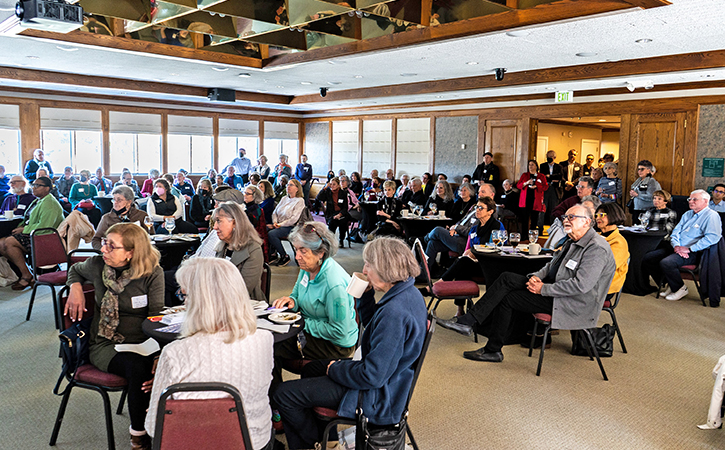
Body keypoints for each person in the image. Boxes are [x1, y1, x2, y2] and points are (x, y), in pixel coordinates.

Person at [273, 236, 426, 450]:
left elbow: (372, 375)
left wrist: (336, 368)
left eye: (368, 265)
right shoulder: (408, 293)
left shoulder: (395, 313)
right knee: (312, 369)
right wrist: (365, 297)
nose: (364, 269)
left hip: (377, 392)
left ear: (384, 268)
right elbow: (377, 330)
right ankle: (329, 438)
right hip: (389, 378)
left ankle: (312, 444)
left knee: (284, 394)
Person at [437, 204, 616, 363]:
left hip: (573, 302)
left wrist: (543, 288)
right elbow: (550, 265)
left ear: (587, 222)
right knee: (507, 279)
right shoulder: (573, 240)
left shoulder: (596, 248)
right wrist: (535, 276)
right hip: (555, 291)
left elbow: (580, 286)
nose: (565, 220)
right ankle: (479, 334)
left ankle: (478, 333)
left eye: (571, 217)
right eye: (564, 217)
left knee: (508, 295)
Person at [145, 257, 273, 449]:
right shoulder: (265, 339)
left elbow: (154, 427)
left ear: (201, 301)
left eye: (185, 296)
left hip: (191, 442)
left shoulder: (175, 353)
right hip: (254, 441)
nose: (185, 303)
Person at [64, 223, 163, 450]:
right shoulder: (98, 265)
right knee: (139, 368)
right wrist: (76, 288)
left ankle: (160, 424)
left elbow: (156, 316)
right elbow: (74, 270)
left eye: (111, 245)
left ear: (131, 252)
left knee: (165, 362)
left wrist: (159, 353)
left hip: (143, 342)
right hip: (106, 343)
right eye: (105, 243)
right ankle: (139, 435)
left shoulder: (151, 272)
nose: (103, 249)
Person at [642, 189, 722, 301]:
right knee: (648, 258)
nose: (691, 201)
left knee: (667, 263)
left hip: (695, 252)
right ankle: (670, 283)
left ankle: (680, 288)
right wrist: (676, 246)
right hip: (677, 248)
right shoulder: (687, 214)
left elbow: (713, 238)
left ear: (705, 201)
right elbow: (675, 232)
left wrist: (689, 249)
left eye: (695, 199)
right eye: (690, 199)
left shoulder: (711, 216)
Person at [0, 176, 64, 290]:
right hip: (32, 233)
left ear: (47, 188)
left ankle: (26, 275)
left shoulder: (50, 202)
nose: (33, 188)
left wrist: (23, 230)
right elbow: (28, 219)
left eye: (37, 185)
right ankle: (27, 272)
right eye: (33, 185)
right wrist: (21, 226)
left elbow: (45, 226)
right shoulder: (38, 200)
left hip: (45, 238)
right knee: (1, 243)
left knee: (9, 242)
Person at [424, 184, 495, 274]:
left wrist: (457, 228)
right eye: (479, 192)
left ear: (492, 195)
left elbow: (474, 231)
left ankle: (423, 239)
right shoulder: (474, 206)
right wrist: (454, 227)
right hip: (457, 235)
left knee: (438, 230)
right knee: (432, 243)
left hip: (466, 242)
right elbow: (462, 220)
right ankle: (425, 273)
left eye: (483, 192)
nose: (479, 194)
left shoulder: (489, 211)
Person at [212, 202, 266, 301]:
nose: (215, 227)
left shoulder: (253, 250)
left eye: (219, 221)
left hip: (246, 306)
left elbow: (243, 290)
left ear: (234, 223)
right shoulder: (222, 247)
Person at [93, 185, 153, 250]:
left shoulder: (141, 215)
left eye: (119, 200)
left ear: (129, 202)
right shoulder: (107, 218)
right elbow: (96, 240)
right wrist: (104, 250)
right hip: (114, 254)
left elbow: (151, 236)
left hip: (137, 253)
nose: (115, 203)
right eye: (114, 200)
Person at [594, 203, 630, 300]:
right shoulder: (596, 235)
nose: (597, 218)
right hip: (590, 279)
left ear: (613, 215)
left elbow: (607, 267)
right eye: (596, 215)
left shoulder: (619, 242)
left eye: (602, 215)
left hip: (604, 287)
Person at [267, 179, 305, 266]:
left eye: (291, 185)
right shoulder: (284, 198)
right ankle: (272, 254)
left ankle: (284, 256)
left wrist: (280, 224)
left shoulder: (299, 201)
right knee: (265, 229)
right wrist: (275, 222)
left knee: (272, 234)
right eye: (287, 185)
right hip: (278, 225)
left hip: (291, 227)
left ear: (297, 188)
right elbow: (275, 212)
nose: (288, 186)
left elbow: (294, 218)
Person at [315, 177, 350, 247]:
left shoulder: (343, 193)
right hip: (331, 213)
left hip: (341, 212)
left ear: (338, 185)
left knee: (343, 222)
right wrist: (324, 188)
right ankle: (331, 240)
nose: (332, 186)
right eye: (330, 184)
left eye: (334, 184)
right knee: (332, 222)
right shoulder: (328, 192)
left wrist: (340, 214)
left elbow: (345, 207)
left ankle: (341, 240)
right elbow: (318, 198)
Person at [516, 159, 548, 234]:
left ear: (536, 166)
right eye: (529, 165)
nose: (530, 166)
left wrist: (537, 186)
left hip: (535, 200)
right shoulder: (525, 175)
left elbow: (545, 187)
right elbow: (518, 185)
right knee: (524, 219)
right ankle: (524, 236)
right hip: (525, 200)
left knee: (534, 219)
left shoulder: (541, 176)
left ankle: (532, 236)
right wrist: (526, 183)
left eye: (532, 165)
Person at [538, 150, 562, 232]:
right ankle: (540, 229)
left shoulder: (559, 167)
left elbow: (559, 177)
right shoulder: (542, 166)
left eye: (550, 157)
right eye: (547, 157)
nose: (549, 158)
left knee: (553, 209)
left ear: (554, 157)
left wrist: (550, 176)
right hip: (545, 189)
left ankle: (553, 230)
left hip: (554, 190)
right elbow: (542, 177)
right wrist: (552, 178)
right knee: (543, 208)